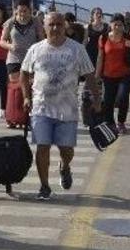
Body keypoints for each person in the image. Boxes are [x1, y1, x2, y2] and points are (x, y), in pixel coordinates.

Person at [20, 12, 100, 200]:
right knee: (42, 146)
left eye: (58, 24)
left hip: (67, 109)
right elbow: (24, 73)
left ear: (65, 27)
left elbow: (89, 75)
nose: (55, 28)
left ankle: (65, 166)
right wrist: (25, 97)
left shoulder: (77, 49)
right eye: (51, 25)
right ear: (44, 28)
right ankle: (44, 186)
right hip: (41, 107)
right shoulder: (35, 49)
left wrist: (96, 100)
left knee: (66, 149)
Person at [95, 13, 130, 132]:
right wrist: (97, 75)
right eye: (115, 24)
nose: (117, 27)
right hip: (108, 75)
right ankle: (110, 123)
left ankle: (121, 122)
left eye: (120, 25)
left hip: (125, 74)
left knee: (123, 97)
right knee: (108, 100)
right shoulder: (104, 38)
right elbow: (100, 57)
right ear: (111, 25)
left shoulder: (127, 38)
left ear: (123, 26)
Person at [0, 0, 44, 81]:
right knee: (16, 86)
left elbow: (41, 39)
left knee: (29, 87)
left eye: (25, 11)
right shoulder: (10, 23)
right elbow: (2, 41)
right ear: (16, 10)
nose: (22, 14)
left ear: (30, 10)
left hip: (31, 58)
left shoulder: (36, 22)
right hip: (14, 58)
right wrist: (10, 46)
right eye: (20, 11)